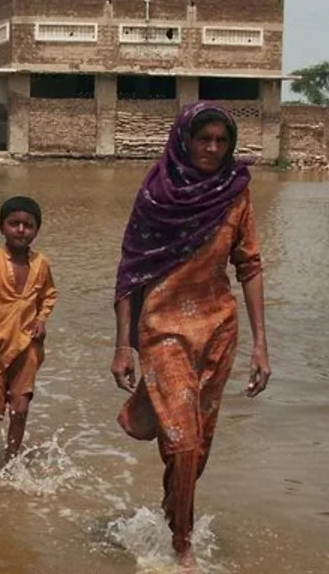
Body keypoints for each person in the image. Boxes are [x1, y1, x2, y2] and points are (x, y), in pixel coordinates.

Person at [110, 101, 272, 569]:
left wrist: (261, 345)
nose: (213, 148)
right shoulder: (157, 194)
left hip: (219, 331)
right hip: (162, 330)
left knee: (196, 448)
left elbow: (250, 265)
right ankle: (182, 544)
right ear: (185, 140)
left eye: (222, 141)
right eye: (204, 139)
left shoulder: (236, 193)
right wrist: (123, 345)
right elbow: (131, 273)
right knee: (182, 441)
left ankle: (170, 511)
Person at [0, 196, 58, 462]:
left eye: (27, 225)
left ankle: (11, 461)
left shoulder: (42, 264)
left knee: (20, 407)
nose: (20, 230)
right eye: (13, 223)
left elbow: (50, 294)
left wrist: (41, 319)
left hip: (28, 344)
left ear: (36, 230)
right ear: (1, 227)